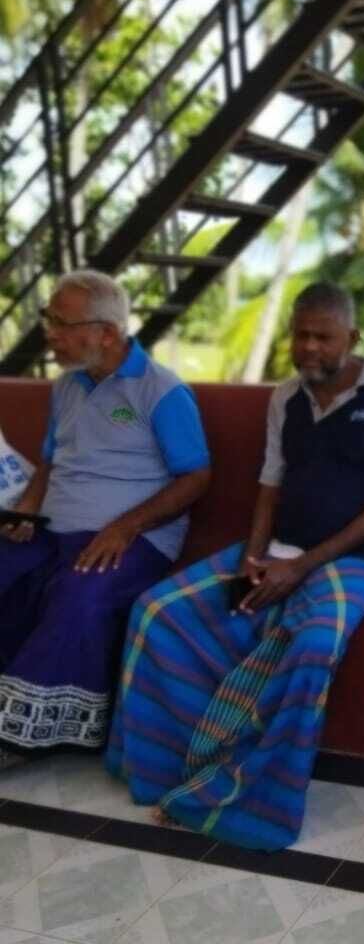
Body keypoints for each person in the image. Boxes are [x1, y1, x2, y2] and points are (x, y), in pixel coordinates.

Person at [106, 281, 364, 851]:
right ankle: (165, 771)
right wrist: (254, 558)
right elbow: (270, 485)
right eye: (300, 336)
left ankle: (249, 803)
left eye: (323, 337)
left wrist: (302, 567)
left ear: (352, 338)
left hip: (354, 561)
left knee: (314, 645)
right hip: (278, 550)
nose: (310, 348)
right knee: (156, 611)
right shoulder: (286, 397)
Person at [0, 270, 210, 766]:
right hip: (54, 530)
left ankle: (21, 733)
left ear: (107, 333)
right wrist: (24, 511)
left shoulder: (161, 391)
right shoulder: (66, 387)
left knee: (81, 592)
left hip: (133, 538)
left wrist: (125, 527)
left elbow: (196, 477)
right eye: (49, 319)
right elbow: (50, 461)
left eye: (61, 323)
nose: (50, 333)